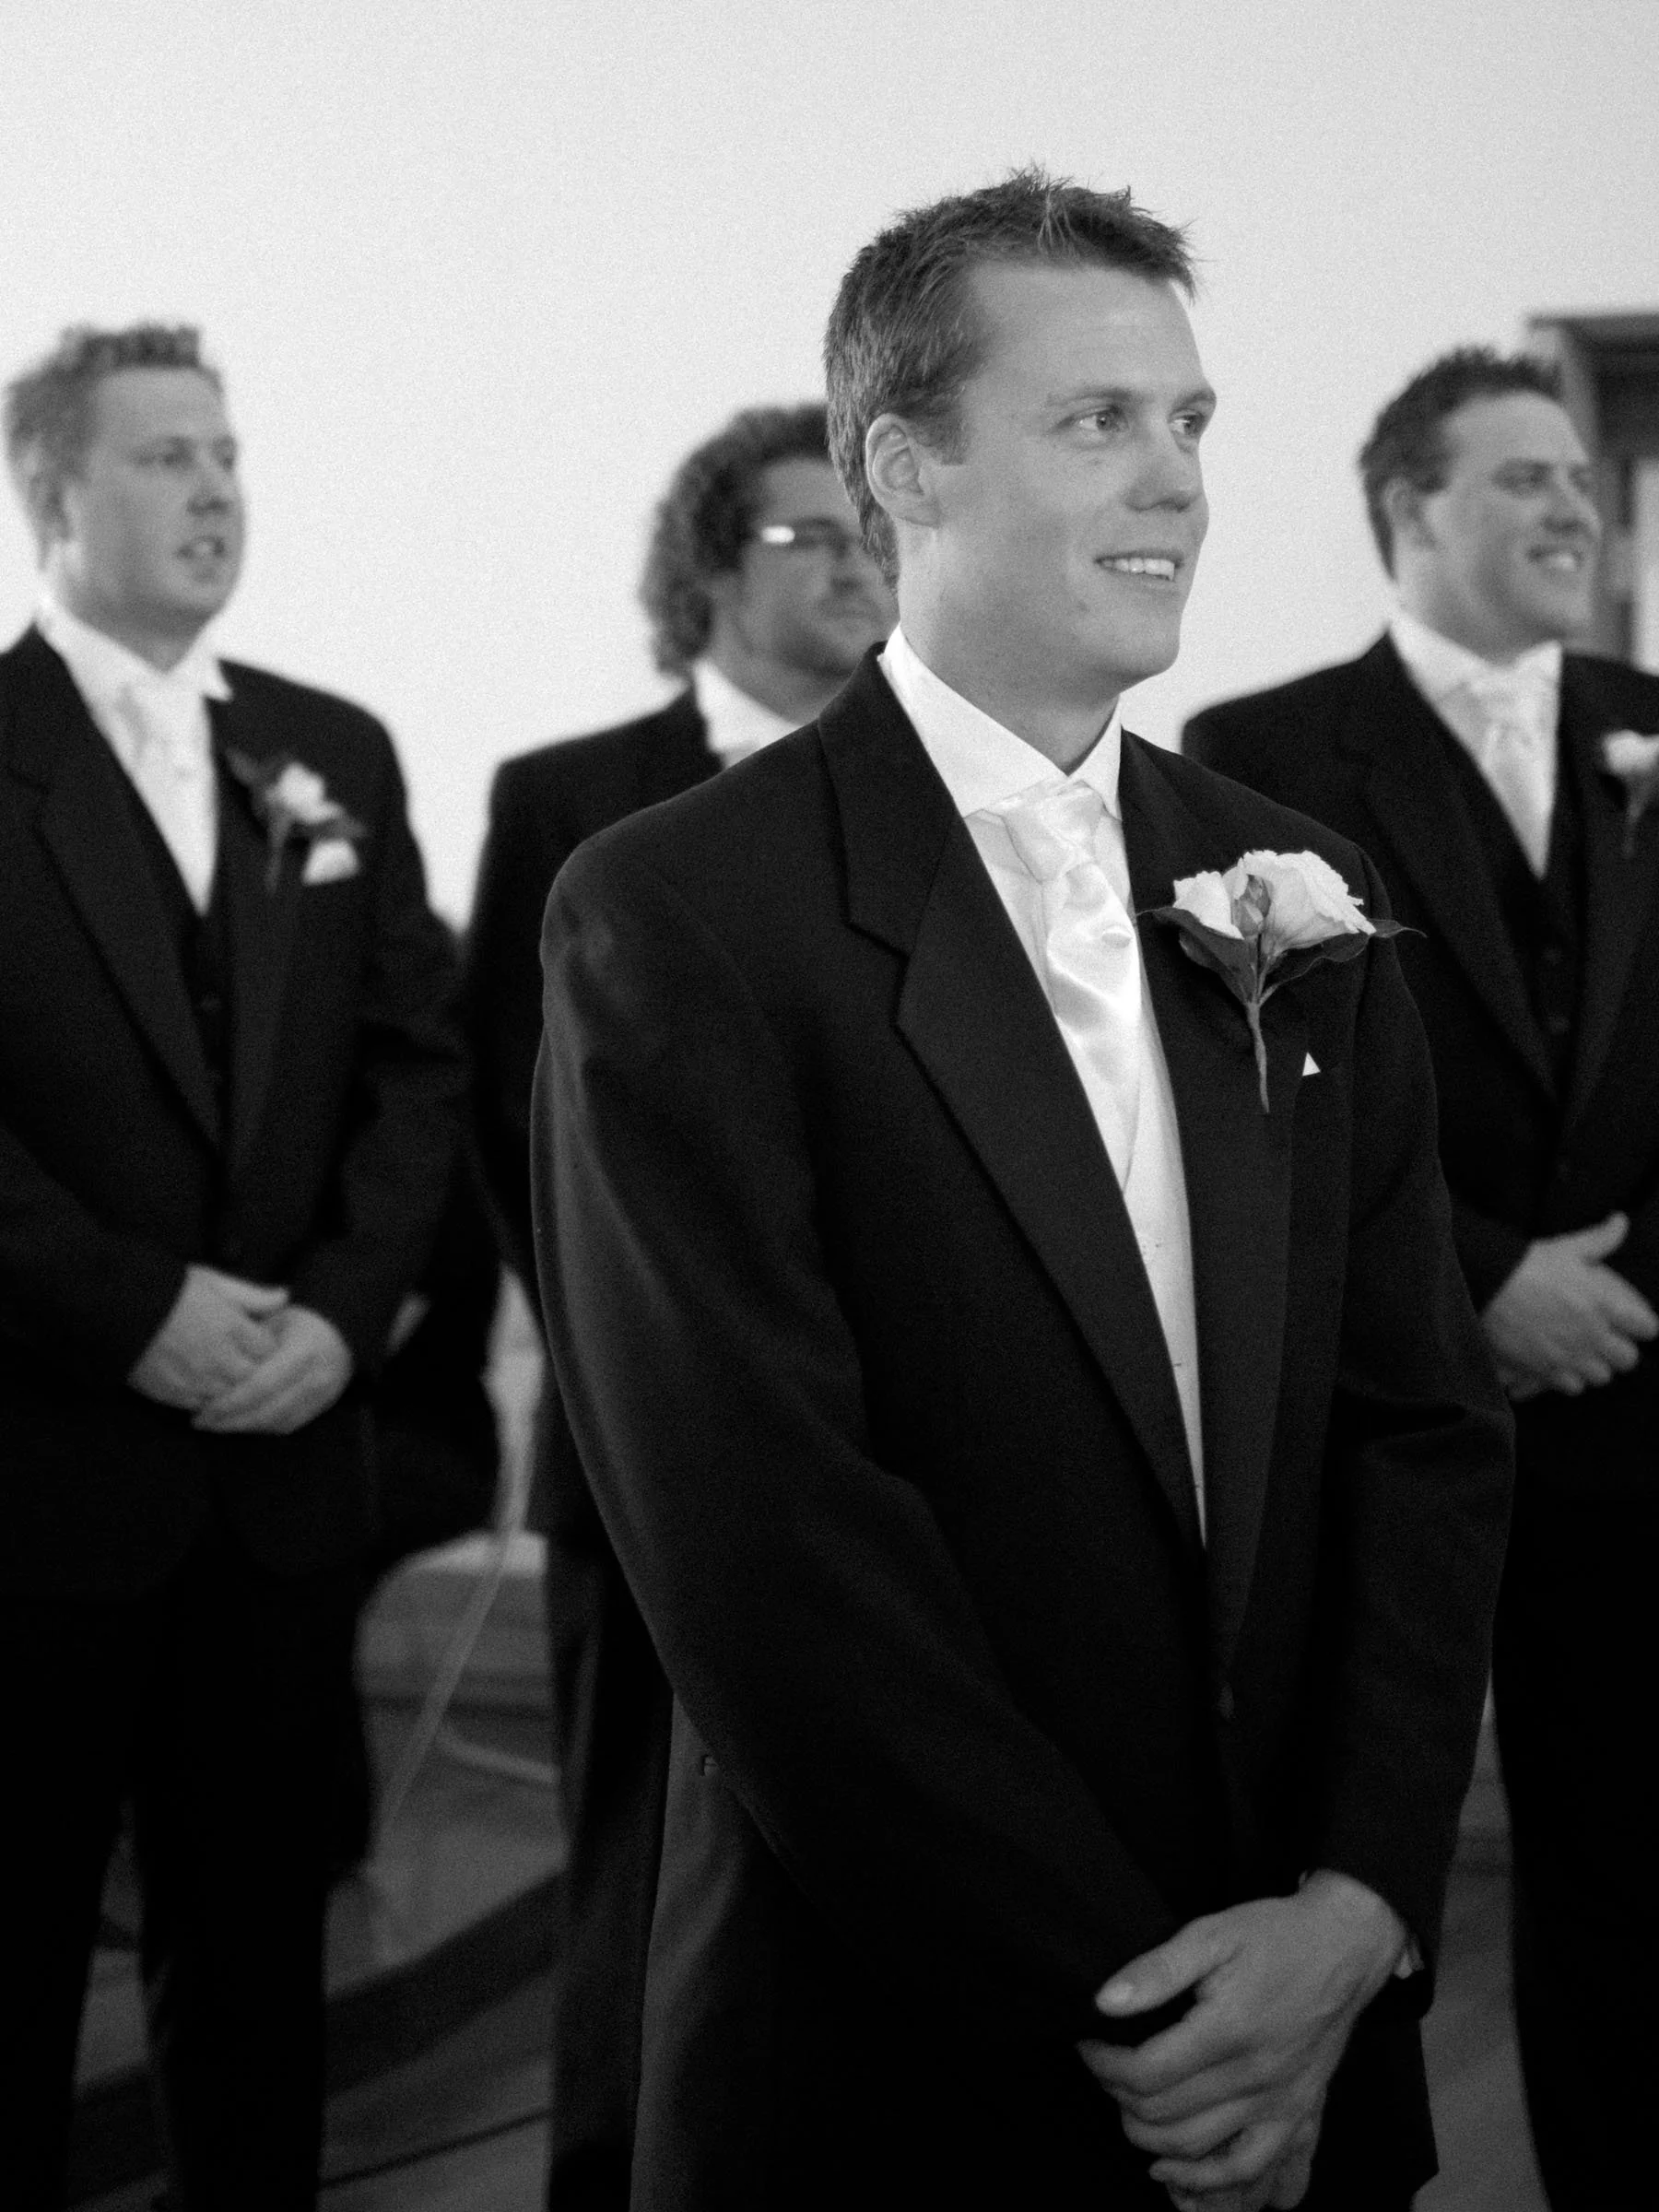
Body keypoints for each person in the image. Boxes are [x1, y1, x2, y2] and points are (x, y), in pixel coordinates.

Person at [531, 171, 1512, 2212]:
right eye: (1097, 422)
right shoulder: (681, 914)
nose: (1174, 482)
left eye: (1191, 425)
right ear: (905, 466)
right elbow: (765, 1546)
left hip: (1305, 2015)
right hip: (903, 2045)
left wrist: (1353, 1910)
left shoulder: (1297, 888)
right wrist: (1160, 2015)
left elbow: (1419, 1423)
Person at [1184, 347, 1659, 2212]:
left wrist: (1614, 1291)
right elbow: (1256, 1078)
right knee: (1349, 1852)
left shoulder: (1654, 718)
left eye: (1580, 478)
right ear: (1408, 511)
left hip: (1637, 1394)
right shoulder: (1263, 748)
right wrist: (1483, 1280)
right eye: (1524, 476)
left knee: (1631, 1868)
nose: (1574, 507)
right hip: (1388, 1402)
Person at [0, 323, 464, 2209]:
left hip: (279, 1466)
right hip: (38, 1466)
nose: (215, 492)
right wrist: (139, 1312)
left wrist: (341, 1325)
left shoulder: (324, 751)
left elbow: (418, 1065)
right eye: (166, 458)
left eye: (227, 456)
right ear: (52, 495)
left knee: (259, 1956)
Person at [463, 401, 892, 2210]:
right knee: (640, 1862)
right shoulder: (572, 796)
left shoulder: (932, 779)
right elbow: (507, 1119)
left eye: (866, 529)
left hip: (888, 1444)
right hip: (641, 1442)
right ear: (708, 565)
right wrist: (652, 1376)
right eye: (807, 535)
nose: (856, 561)